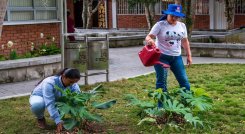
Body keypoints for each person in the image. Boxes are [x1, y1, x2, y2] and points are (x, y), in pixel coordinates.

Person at [145, 4, 192, 95]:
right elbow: (148, 36)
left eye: (177, 16)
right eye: (172, 16)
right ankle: (161, 106)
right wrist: (150, 40)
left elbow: (185, 41)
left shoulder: (182, 26)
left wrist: (189, 55)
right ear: (167, 14)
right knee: (162, 83)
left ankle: (186, 102)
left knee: (184, 81)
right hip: (161, 57)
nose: (174, 18)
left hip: (176, 58)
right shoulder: (160, 25)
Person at [29, 68, 81, 132]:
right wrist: (57, 120)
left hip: (57, 98)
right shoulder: (49, 82)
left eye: (75, 82)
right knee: (37, 105)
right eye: (70, 82)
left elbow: (78, 100)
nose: (72, 84)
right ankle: (40, 118)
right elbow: (50, 102)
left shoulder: (74, 85)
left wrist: (77, 117)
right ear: (63, 77)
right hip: (39, 96)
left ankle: (60, 119)